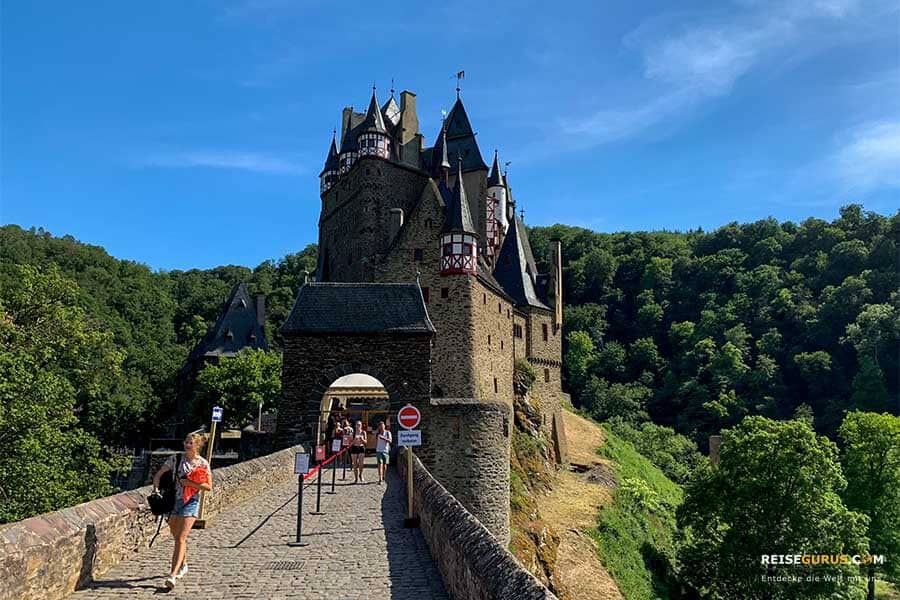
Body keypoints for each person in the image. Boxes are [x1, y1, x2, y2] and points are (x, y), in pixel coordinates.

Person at [152, 432, 213, 590]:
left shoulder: (202, 464)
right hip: (174, 501)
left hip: (190, 502)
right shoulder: (176, 459)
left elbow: (208, 487)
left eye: (190, 442)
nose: (187, 444)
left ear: (197, 445)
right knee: (175, 535)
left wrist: (190, 483)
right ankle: (184, 564)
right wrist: (156, 490)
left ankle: (172, 575)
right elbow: (158, 475)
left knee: (180, 538)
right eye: (186, 441)